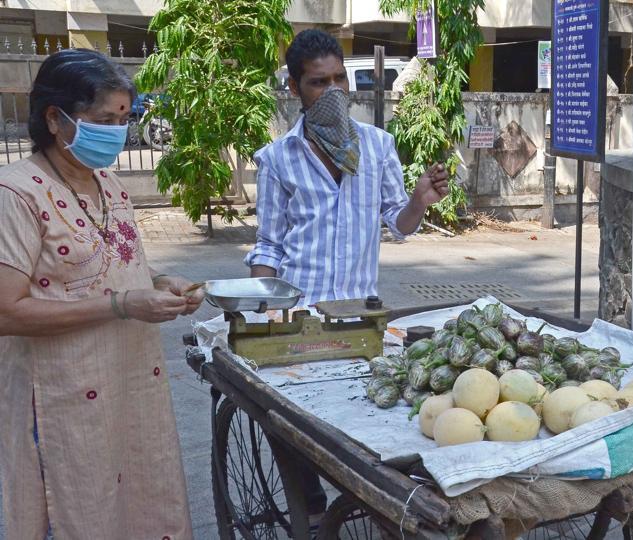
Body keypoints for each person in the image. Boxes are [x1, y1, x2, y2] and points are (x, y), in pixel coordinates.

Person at [0, 49, 202, 539]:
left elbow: (113, 271)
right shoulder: (16, 193)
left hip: (130, 384)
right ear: (55, 118)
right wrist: (121, 305)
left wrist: (159, 286)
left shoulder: (110, 186)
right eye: (102, 119)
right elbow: (8, 310)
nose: (116, 132)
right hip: (62, 398)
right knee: (78, 509)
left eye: (123, 119)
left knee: (137, 499)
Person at [246, 30, 450, 304]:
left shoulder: (378, 146)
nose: (333, 90)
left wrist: (417, 202)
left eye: (339, 78)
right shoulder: (277, 159)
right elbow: (269, 245)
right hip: (299, 311)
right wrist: (262, 312)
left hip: (360, 313)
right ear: (295, 88)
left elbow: (400, 224)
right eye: (319, 82)